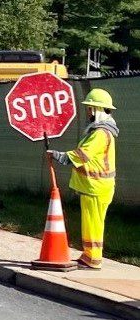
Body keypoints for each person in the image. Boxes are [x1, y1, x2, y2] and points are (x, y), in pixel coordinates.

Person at [47, 88, 118, 270]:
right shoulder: (100, 131)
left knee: (93, 223)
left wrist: (58, 156)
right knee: (91, 222)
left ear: (97, 110)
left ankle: (93, 259)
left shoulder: (100, 134)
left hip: (96, 187)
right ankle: (89, 255)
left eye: (89, 108)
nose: (87, 112)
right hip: (95, 186)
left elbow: (82, 155)